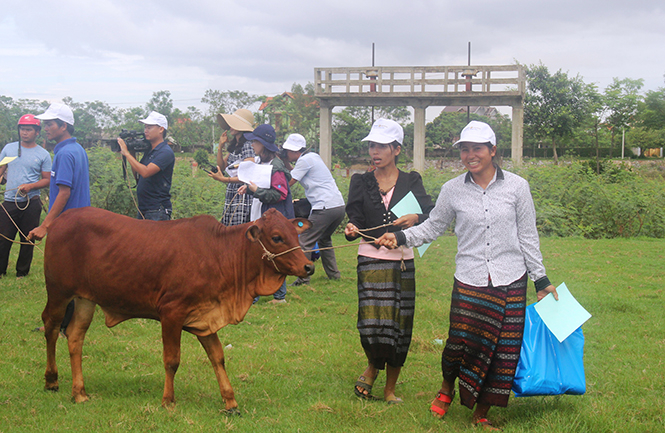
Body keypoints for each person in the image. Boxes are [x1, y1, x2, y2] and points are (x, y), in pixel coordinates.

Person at [376, 121, 559, 430]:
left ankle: (481, 413)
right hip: (470, 277)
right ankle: (447, 389)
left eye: (477, 149)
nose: (470, 155)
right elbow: (434, 226)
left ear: (492, 150)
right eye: (464, 149)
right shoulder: (452, 190)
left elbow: (528, 236)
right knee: (459, 343)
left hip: (510, 280)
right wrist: (401, 237)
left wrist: (540, 281)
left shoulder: (518, 186)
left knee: (502, 351)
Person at [344, 118, 434, 404]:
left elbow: (432, 214)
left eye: (382, 145)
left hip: (402, 260)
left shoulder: (412, 181)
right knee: (371, 324)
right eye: (372, 145)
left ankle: (390, 389)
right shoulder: (360, 181)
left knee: (399, 323)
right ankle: (372, 367)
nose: (375, 151)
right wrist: (351, 229)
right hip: (370, 258)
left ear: (396, 149)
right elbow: (355, 217)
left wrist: (416, 218)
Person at [28, 103, 90, 335]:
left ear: (64, 126)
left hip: (69, 225)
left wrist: (46, 225)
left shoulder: (64, 153)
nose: (45, 128)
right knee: (74, 276)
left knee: (63, 279)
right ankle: (66, 324)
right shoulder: (77, 149)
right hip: (81, 222)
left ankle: (61, 325)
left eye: (50, 124)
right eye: (45, 124)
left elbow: (64, 192)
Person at [238, 124, 294, 304]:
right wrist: (248, 189)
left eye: (255, 141)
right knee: (258, 253)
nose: (253, 144)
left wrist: (256, 190)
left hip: (274, 218)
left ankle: (279, 296)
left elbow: (280, 194)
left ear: (263, 144)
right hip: (261, 213)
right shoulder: (260, 162)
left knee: (274, 254)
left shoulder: (276, 166)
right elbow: (260, 188)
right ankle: (256, 294)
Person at [282, 133, 345, 286]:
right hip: (338, 206)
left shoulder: (304, 161)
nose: (286, 154)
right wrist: (286, 162)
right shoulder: (312, 157)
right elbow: (295, 171)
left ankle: (303, 278)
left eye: (287, 151)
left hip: (324, 207)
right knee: (324, 240)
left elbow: (289, 181)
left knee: (305, 241)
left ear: (295, 151)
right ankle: (334, 275)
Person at [0, 114, 51, 278]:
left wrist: (31, 186)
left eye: (29, 129)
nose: (25, 132)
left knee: (28, 238)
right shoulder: (9, 148)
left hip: (31, 202)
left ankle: (22, 272)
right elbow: (1, 170)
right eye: (22, 129)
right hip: (9, 202)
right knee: (4, 237)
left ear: (37, 132)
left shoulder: (43, 154)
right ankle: (1, 270)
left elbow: (47, 180)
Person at [117, 111, 175, 221]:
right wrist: (132, 152)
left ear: (161, 129)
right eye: (145, 127)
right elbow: (138, 175)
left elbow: (146, 172)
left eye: (149, 127)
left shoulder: (165, 152)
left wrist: (127, 154)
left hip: (157, 210)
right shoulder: (149, 150)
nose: (145, 131)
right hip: (144, 208)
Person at [208, 109, 256, 226]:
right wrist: (220, 146)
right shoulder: (235, 145)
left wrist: (225, 180)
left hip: (242, 192)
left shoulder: (248, 145)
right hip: (233, 190)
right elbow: (222, 166)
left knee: (238, 228)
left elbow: (248, 174)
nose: (230, 127)